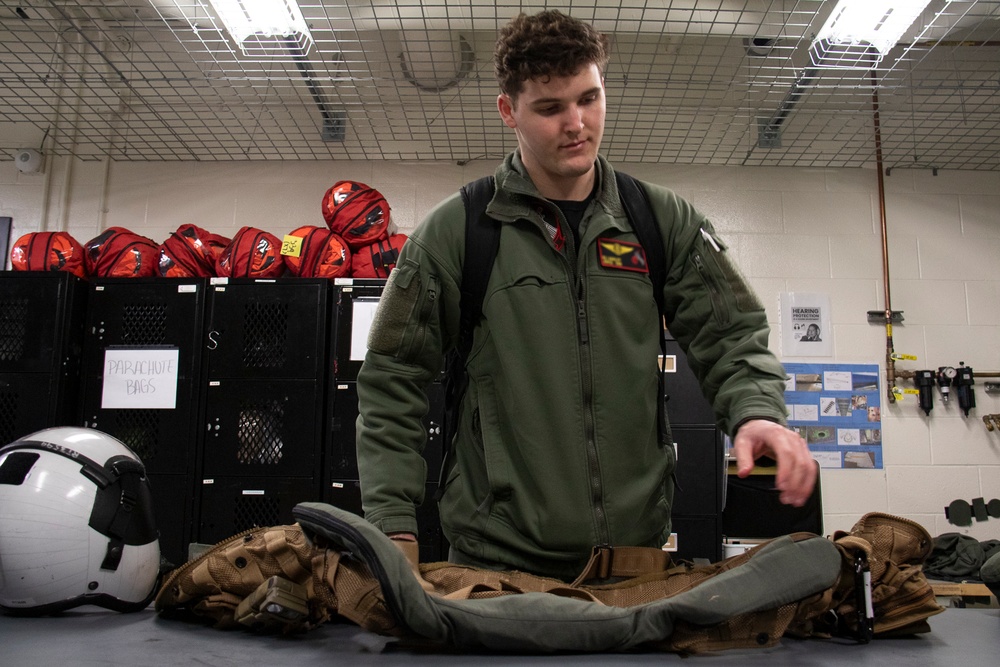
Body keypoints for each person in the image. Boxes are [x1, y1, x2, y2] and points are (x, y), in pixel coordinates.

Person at [356, 9, 816, 581]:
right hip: (497, 568)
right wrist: (393, 525)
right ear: (509, 111)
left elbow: (730, 334)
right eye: (550, 108)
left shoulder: (659, 220)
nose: (576, 123)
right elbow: (392, 377)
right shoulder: (459, 231)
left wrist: (756, 414)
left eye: (589, 98)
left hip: (633, 562)